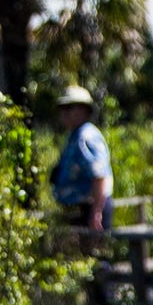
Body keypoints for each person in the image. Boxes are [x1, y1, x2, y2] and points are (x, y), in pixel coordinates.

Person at [50, 84, 112, 237]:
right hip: (78, 209)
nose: (64, 113)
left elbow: (99, 176)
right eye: (62, 108)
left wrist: (96, 213)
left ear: (83, 110)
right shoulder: (74, 136)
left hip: (90, 209)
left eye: (69, 108)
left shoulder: (86, 137)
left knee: (95, 257)